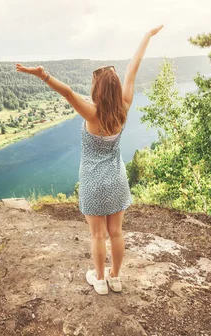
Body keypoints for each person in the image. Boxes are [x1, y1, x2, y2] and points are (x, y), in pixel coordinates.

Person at [15, 25, 164, 294]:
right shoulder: (124, 107)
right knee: (116, 233)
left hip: (94, 182)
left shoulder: (91, 113)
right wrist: (146, 37)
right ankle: (115, 278)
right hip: (117, 179)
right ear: (115, 89)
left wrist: (43, 75)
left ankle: (99, 279)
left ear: (98, 90)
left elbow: (69, 93)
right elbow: (133, 68)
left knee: (98, 235)